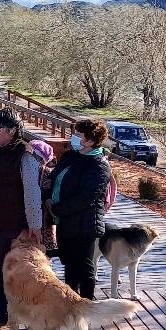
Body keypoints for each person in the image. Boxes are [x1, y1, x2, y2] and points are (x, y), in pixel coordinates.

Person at [0, 108, 44, 330]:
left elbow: (31, 192)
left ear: (13, 130)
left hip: (12, 223)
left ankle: (1, 314)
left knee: (4, 269)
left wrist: (34, 224)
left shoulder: (24, 154)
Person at [43, 118, 112, 300]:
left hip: (84, 225)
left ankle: (86, 307)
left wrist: (57, 209)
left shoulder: (99, 166)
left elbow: (86, 198)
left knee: (84, 268)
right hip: (64, 222)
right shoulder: (70, 156)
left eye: (78, 135)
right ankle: (70, 307)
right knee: (69, 266)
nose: (73, 137)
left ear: (90, 141)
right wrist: (48, 197)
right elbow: (55, 178)